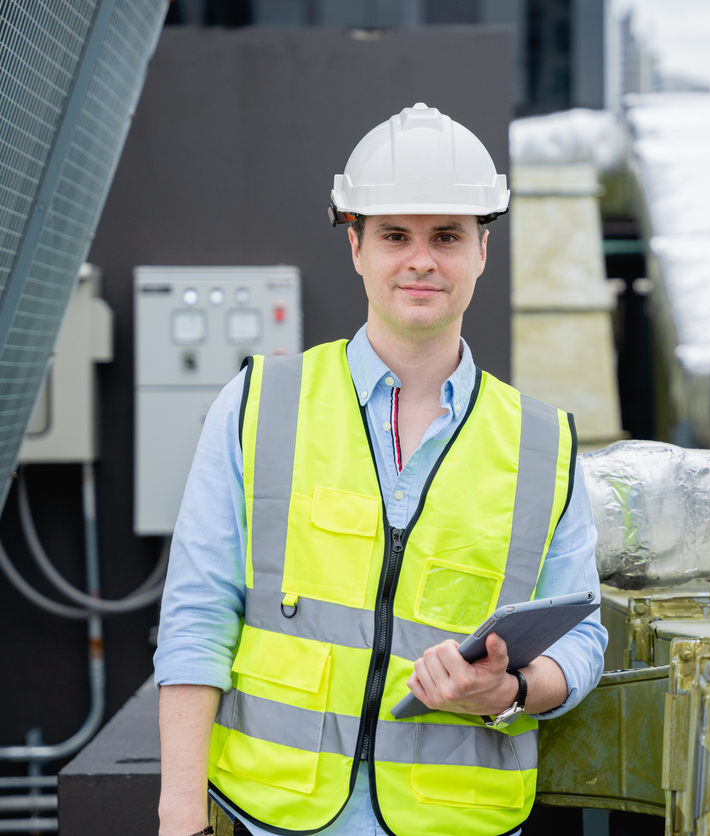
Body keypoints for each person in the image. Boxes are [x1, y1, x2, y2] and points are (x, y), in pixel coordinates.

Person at [154, 103, 607, 836]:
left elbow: (581, 641)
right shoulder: (260, 405)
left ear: (481, 252)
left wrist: (510, 691)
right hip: (272, 816)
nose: (421, 260)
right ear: (356, 245)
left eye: (447, 237)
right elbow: (198, 617)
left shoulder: (543, 444)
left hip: (456, 822)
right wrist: (180, 818)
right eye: (396, 235)